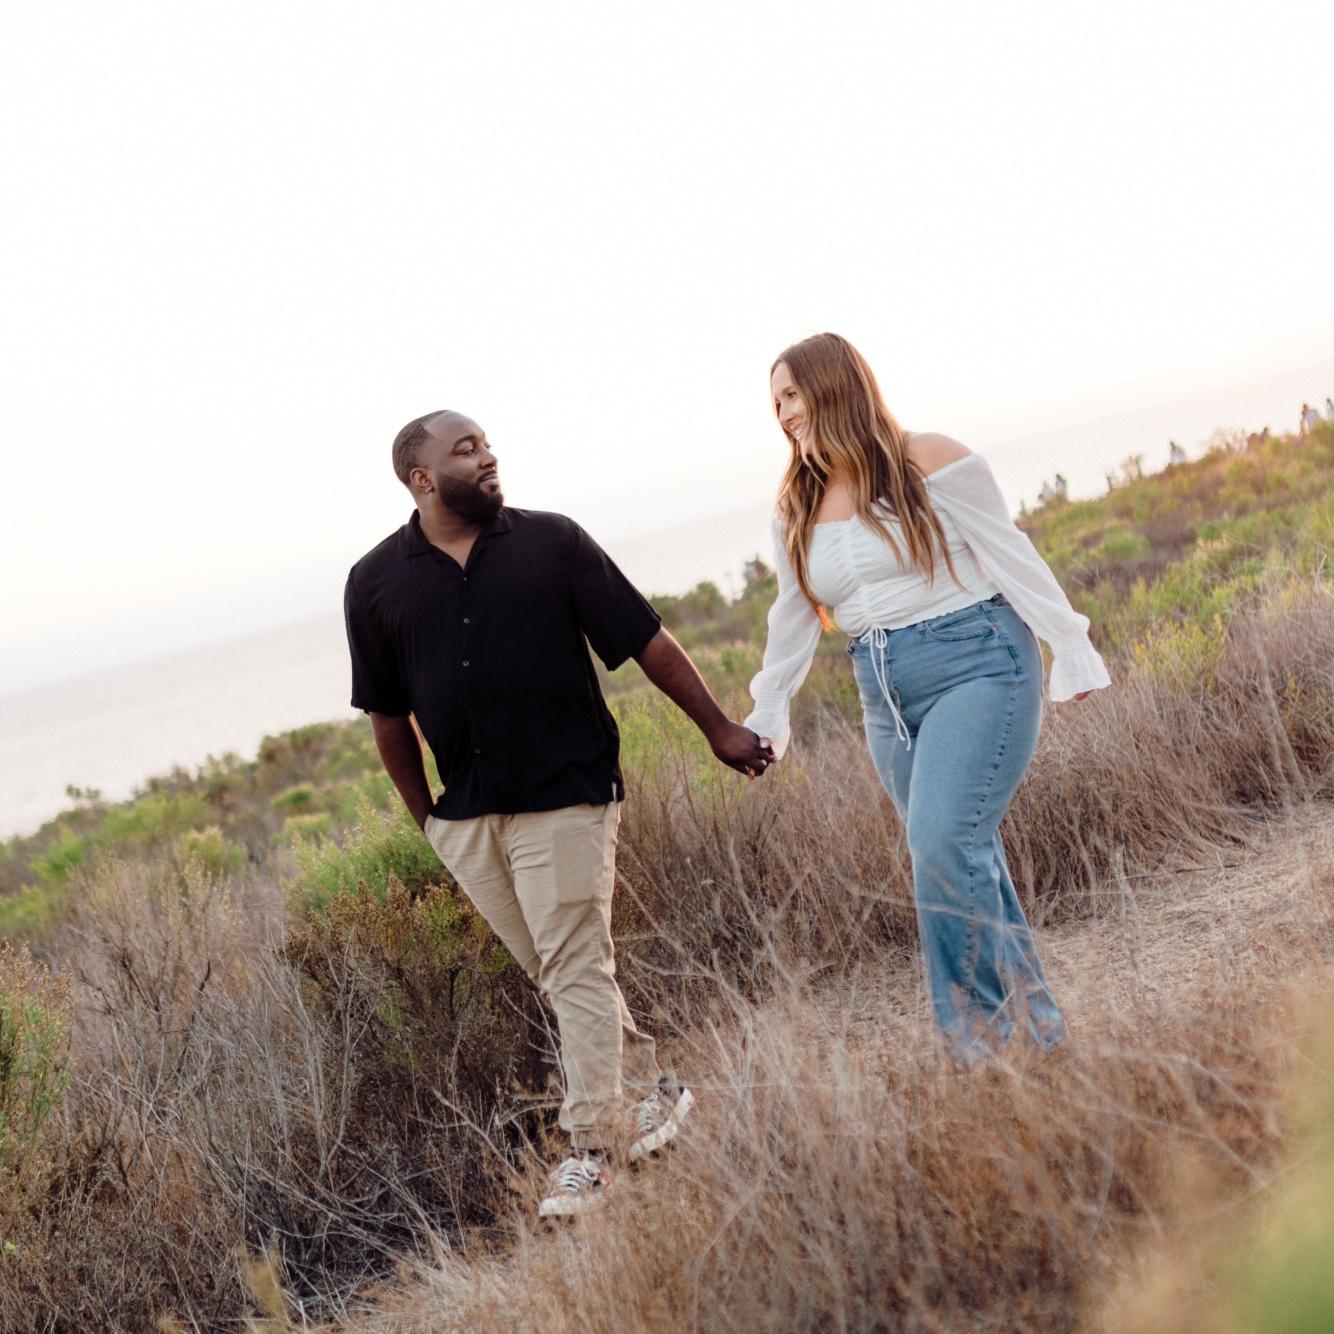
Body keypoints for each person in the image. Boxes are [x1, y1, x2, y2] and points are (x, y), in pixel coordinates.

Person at [344, 409, 774, 1217]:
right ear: (422, 479)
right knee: (561, 970)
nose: (488, 457)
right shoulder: (374, 583)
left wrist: (718, 727)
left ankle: (592, 1152)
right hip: (468, 816)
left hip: (566, 792)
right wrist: (429, 822)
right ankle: (653, 1089)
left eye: (486, 443)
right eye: (465, 450)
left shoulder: (554, 542)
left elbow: (647, 641)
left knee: (574, 961)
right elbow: (386, 716)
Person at [744, 333, 1111, 1065]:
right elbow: (793, 614)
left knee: (943, 844)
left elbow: (1010, 551)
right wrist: (770, 707)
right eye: (774, 402)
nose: (783, 414)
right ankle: (1039, 1039)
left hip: (978, 661)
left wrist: (1069, 643)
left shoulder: (931, 458)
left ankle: (976, 1051)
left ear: (836, 385)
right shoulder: (798, 502)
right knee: (965, 857)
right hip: (882, 693)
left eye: (792, 394)